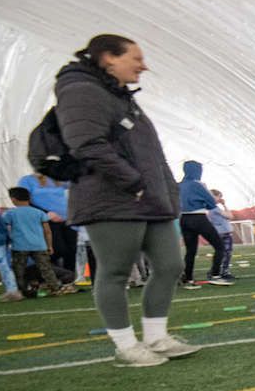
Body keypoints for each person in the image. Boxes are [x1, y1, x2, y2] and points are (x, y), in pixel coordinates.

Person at [54, 35, 197, 365]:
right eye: (136, 58)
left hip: (149, 199)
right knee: (115, 272)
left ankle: (157, 337)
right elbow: (86, 144)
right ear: (108, 58)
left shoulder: (117, 94)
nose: (143, 65)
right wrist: (133, 181)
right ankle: (126, 346)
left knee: (171, 265)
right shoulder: (81, 90)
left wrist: (164, 190)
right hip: (111, 199)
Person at [5, 186, 70, 295]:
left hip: (20, 246)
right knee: (46, 268)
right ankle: (55, 288)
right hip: (39, 245)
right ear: (29, 198)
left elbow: (6, 228)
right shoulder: (39, 213)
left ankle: (22, 290)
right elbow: (47, 231)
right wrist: (49, 245)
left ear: (13, 199)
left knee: (19, 270)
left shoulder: (10, 214)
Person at [16, 172, 76, 278]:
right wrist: (45, 213)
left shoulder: (59, 178)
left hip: (67, 218)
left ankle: (68, 278)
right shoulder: (27, 180)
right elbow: (23, 201)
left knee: (71, 250)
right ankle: (44, 274)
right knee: (57, 249)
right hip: (46, 220)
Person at [177, 160, 225, 285]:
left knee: (190, 251)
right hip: (198, 218)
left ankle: (188, 278)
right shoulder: (198, 185)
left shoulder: (178, 185)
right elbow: (211, 202)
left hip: (184, 219)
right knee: (219, 246)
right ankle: (215, 275)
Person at [207, 190, 235, 282]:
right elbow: (230, 216)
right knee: (224, 253)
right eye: (219, 196)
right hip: (222, 234)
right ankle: (220, 272)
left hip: (222, 233)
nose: (220, 199)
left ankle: (218, 271)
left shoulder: (213, 208)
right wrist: (224, 205)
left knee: (224, 253)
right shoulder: (214, 208)